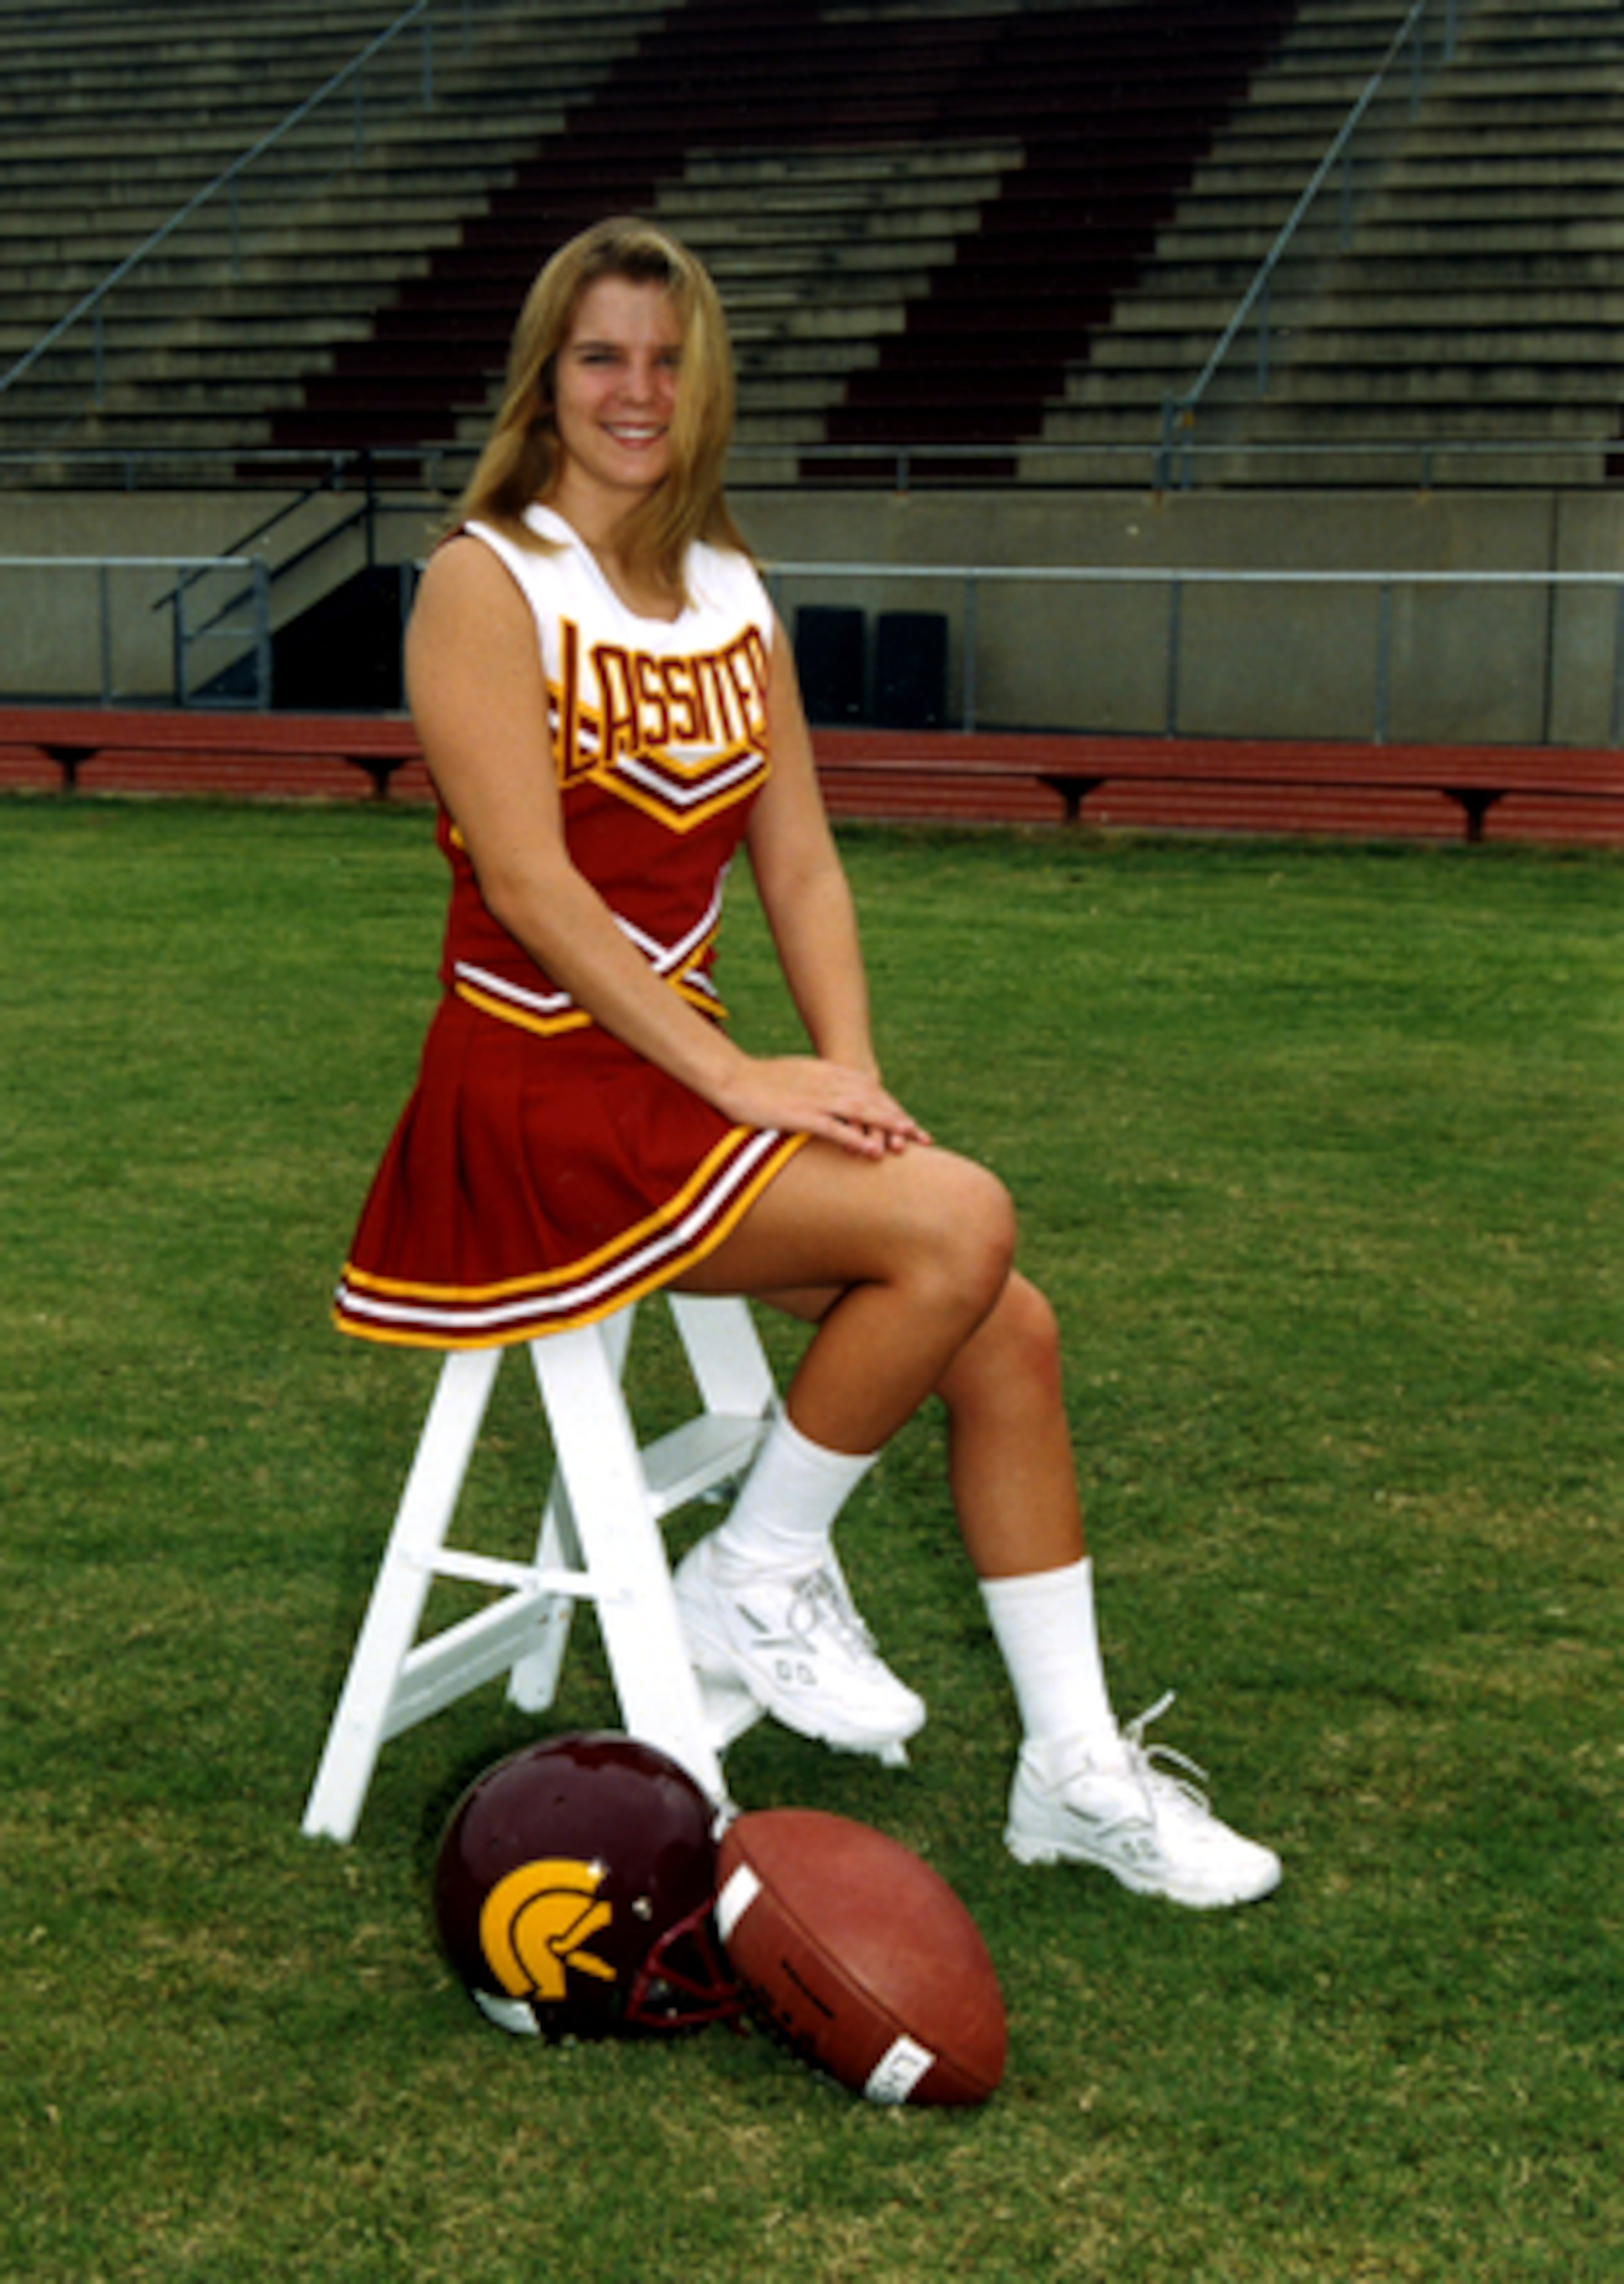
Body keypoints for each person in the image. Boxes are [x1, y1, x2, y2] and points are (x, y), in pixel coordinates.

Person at [334, 217, 1280, 1911]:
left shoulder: (725, 587)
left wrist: (842, 1068)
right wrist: (740, 1078)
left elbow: (802, 862)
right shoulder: (487, 582)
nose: (640, 391)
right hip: (538, 1095)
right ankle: (755, 1576)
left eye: (671, 359)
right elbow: (540, 897)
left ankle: (1072, 1771)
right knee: (958, 1224)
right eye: (604, 355)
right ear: (545, 378)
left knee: (1008, 1318)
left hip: (678, 1081)